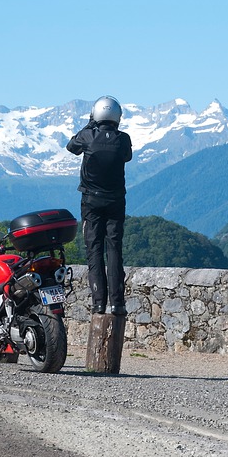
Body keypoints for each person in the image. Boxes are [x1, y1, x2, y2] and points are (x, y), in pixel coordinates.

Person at [66, 95, 132, 316]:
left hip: (91, 201)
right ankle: (117, 303)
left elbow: (71, 146)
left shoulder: (87, 136)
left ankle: (98, 303)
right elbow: (128, 157)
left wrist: (89, 124)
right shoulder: (123, 139)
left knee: (94, 251)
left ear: (95, 114)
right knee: (114, 250)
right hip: (115, 201)